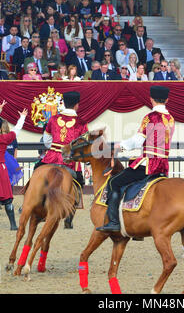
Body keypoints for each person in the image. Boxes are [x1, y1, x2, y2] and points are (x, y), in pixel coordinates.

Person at [96, 85, 174, 232]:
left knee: (114, 182)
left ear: (151, 99)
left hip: (148, 164)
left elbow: (138, 140)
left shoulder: (150, 117)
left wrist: (121, 145)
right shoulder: (170, 119)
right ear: (167, 100)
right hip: (163, 165)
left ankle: (113, 222)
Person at [40, 91, 88, 228]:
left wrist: (54, 147)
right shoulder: (81, 123)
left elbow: (46, 140)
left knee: (38, 175)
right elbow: (83, 146)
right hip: (70, 161)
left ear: (64, 103)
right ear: (77, 105)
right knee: (78, 186)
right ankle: (69, 219)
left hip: (51, 157)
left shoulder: (53, 119)